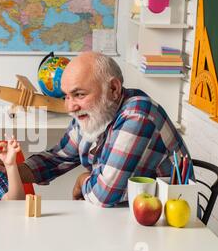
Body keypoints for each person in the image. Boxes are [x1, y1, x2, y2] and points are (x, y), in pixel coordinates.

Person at [16, 51, 192, 207]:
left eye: (79, 94)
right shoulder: (94, 112)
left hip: (167, 222)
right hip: (127, 213)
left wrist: (82, 179)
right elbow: (57, 158)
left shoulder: (137, 115)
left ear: (113, 89)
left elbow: (103, 194)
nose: (70, 107)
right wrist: (9, 169)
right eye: (66, 97)